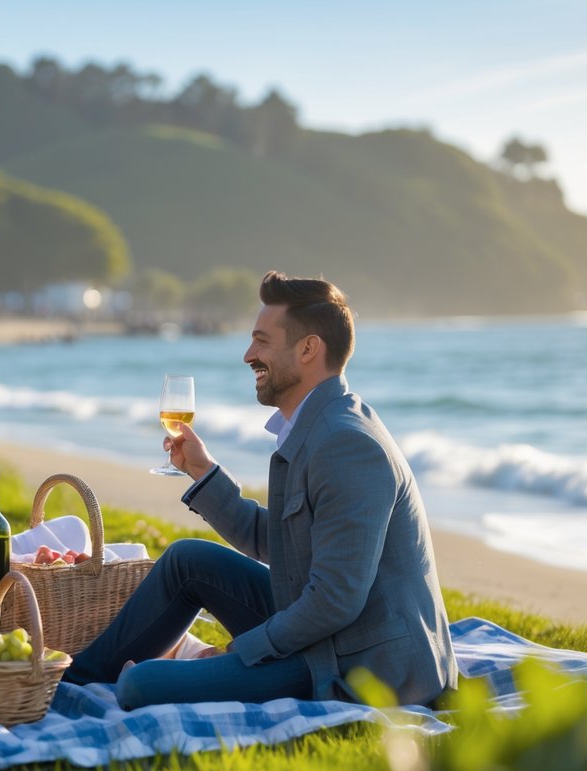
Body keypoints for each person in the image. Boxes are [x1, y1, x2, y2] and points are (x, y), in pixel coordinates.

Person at [63, 271, 458, 710]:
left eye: (262, 341)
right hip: (331, 635)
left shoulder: (348, 444)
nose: (249, 355)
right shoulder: (317, 426)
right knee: (187, 560)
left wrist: (246, 648)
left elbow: (334, 601)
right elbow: (281, 543)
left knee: (141, 686)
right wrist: (203, 471)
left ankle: (98, 680)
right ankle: (70, 677)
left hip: (364, 666)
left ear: (309, 349)